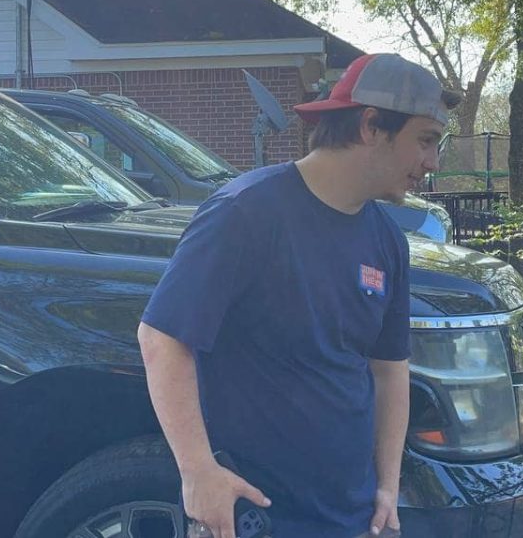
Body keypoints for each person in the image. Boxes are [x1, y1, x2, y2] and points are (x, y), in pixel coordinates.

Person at [138, 53, 458, 538]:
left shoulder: (387, 240)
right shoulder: (245, 212)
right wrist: (198, 470)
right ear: (372, 126)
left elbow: (389, 369)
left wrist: (387, 485)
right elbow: (162, 339)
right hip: (256, 516)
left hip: (352, 517)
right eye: (426, 140)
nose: (432, 163)